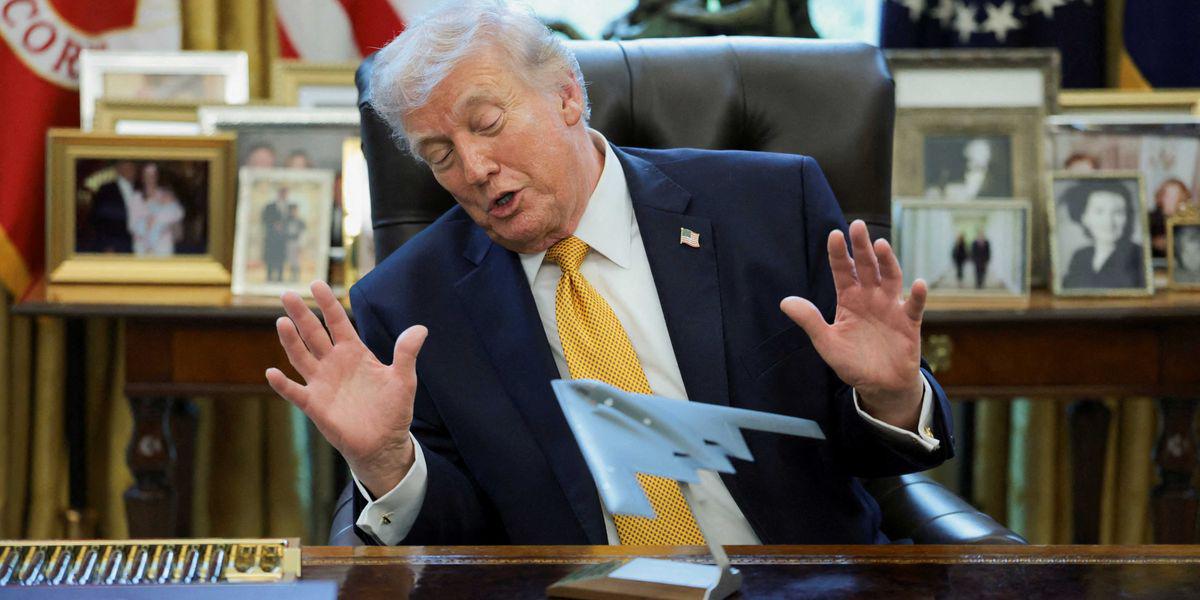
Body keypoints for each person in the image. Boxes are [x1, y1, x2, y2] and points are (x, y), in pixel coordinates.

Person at [266, 0, 953, 546]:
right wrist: (388, 463)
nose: (473, 169)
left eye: (488, 124)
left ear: (567, 97)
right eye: (440, 154)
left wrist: (891, 396)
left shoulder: (770, 207)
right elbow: (460, 539)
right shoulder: (406, 303)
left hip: (792, 581)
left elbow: (877, 458)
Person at [1060, 180, 1146, 289]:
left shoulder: (1138, 254)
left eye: (1118, 212)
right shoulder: (1080, 257)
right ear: (1084, 217)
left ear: (1128, 217)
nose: (1108, 221)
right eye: (1099, 212)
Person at [127, 163, 185, 256]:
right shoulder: (135, 198)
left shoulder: (166, 195)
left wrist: (163, 222)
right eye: (147, 175)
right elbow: (131, 225)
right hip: (142, 246)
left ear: (157, 177)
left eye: (153, 175)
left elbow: (178, 214)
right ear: (142, 178)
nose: (150, 178)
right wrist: (147, 223)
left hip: (164, 245)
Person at [86, 160, 138, 253]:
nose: (130, 170)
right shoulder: (105, 190)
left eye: (132, 167)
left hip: (141, 244)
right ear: (118, 169)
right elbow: (97, 219)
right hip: (115, 245)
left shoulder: (141, 188)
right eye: (126, 167)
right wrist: (106, 245)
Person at [1150, 178, 1193, 255]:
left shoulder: (1188, 221)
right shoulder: (1151, 219)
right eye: (1167, 196)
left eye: (1175, 196)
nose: (1168, 200)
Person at [262, 188, 291, 282]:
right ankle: (269, 276)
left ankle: (280, 277)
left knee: (281, 257)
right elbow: (264, 219)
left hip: (282, 238)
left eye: (285, 193)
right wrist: (274, 225)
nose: (284, 195)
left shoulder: (289, 207)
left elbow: (291, 221)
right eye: (282, 193)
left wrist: (284, 228)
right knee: (271, 257)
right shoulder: (270, 206)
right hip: (272, 237)